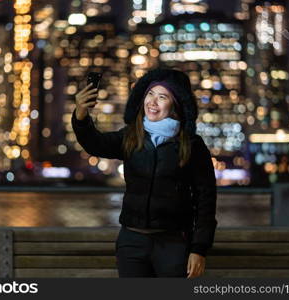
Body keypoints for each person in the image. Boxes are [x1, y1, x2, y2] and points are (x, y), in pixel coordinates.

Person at [71, 68, 217, 278]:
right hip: (132, 241)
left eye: (162, 97)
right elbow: (96, 144)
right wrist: (81, 115)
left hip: (173, 243)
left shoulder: (192, 145)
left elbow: (206, 200)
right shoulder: (131, 136)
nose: (153, 102)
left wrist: (199, 249)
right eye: (150, 94)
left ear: (174, 104)